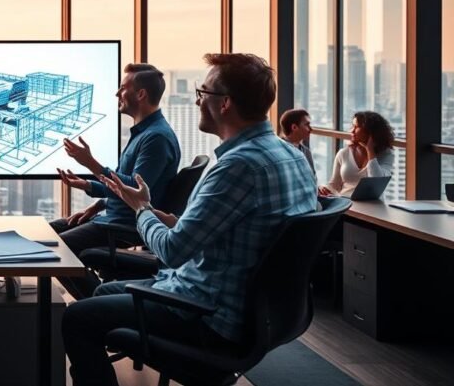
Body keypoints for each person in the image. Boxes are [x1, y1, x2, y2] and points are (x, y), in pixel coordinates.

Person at [62, 53, 317, 386]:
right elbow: (222, 227)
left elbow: (173, 251)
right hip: (263, 314)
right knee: (104, 293)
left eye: (203, 92)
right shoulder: (291, 154)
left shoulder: (237, 167)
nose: (197, 100)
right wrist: (165, 217)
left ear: (224, 103)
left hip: (208, 316)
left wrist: (142, 210)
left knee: (76, 319)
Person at [50, 63, 181, 299]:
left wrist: (90, 162)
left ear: (140, 94)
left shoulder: (156, 138)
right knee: (50, 233)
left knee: (57, 250)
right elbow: (125, 185)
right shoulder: (145, 133)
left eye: (122, 88)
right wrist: (93, 193)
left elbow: (135, 190)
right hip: (112, 217)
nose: (117, 94)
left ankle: (95, 302)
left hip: (124, 225)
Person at [319, 110, 395, 197]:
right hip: (347, 204)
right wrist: (324, 188)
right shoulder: (344, 153)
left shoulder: (386, 155)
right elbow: (335, 185)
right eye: (352, 126)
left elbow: (376, 179)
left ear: (369, 132)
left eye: (356, 127)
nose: (352, 131)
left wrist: (370, 151)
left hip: (373, 207)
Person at [278, 108, 316, 181]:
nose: (311, 129)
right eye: (307, 124)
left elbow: (313, 179)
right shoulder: (279, 152)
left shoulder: (306, 152)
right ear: (294, 127)